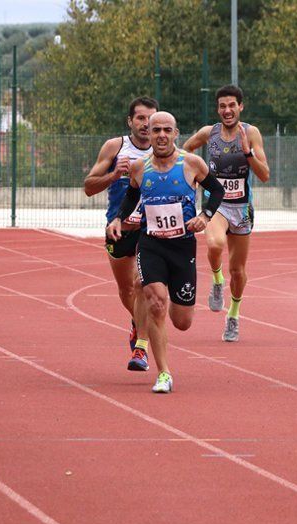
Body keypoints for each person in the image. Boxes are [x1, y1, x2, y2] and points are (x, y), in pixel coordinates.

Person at [107, 111, 225, 393]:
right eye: (155, 129)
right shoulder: (139, 167)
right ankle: (164, 374)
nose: (160, 135)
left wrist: (205, 216)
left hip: (182, 246)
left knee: (182, 321)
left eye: (166, 130)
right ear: (149, 132)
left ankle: (173, 298)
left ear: (175, 134)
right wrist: (117, 218)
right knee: (156, 302)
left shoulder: (191, 163)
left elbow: (217, 191)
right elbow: (132, 196)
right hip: (151, 244)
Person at [182, 85, 270, 342]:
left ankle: (233, 315)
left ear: (241, 106)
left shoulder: (251, 133)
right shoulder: (210, 133)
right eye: (222, 106)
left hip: (242, 208)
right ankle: (217, 281)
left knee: (239, 270)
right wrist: (193, 175)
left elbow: (264, 175)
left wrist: (247, 151)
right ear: (218, 109)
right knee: (214, 243)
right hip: (216, 204)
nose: (227, 110)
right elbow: (187, 149)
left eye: (232, 105)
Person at [84, 96, 158, 371]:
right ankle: (138, 323)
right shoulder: (115, 147)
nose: (146, 124)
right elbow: (89, 186)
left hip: (150, 232)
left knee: (145, 285)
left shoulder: (163, 150)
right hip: (119, 230)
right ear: (130, 121)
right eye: (140, 118)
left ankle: (141, 347)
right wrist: (115, 175)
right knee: (127, 289)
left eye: (151, 119)